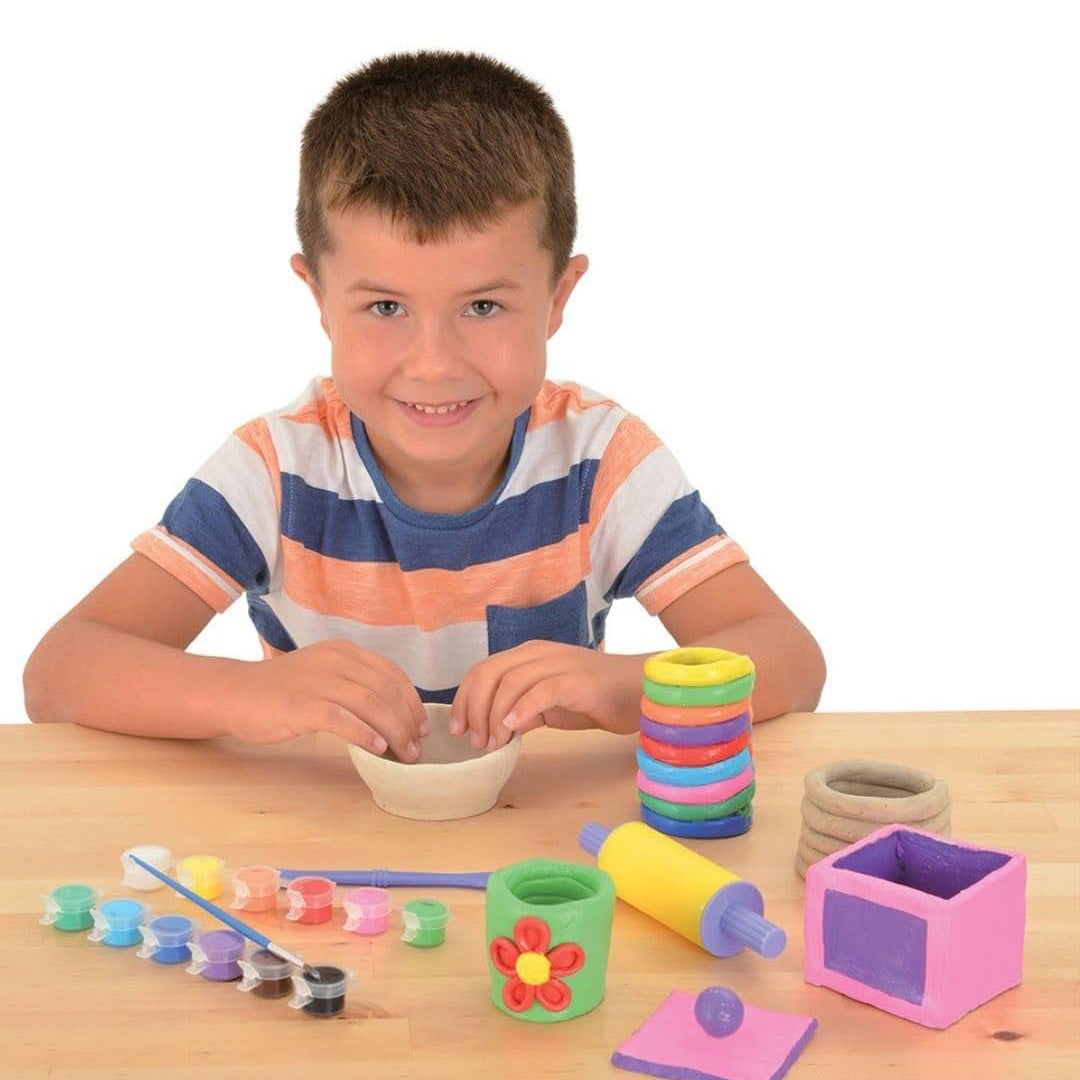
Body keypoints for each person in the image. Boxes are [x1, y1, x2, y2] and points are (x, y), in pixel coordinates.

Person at [23, 50, 826, 762]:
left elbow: (789, 658)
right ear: (319, 297)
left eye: (483, 307)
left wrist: (626, 687)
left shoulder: (601, 462)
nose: (435, 364)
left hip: (537, 855)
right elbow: (61, 672)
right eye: (384, 308)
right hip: (321, 866)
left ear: (557, 296)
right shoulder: (277, 470)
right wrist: (249, 697)